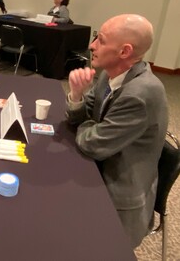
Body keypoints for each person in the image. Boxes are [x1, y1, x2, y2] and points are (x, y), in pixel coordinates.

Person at [65, 14, 168, 248]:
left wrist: (90, 125)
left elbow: (93, 145)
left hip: (118, 200)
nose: (92, 46)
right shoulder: (110, 75)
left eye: (100, 40)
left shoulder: (140, 94)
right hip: (100, 169)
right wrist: (77, 95)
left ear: (124, 52)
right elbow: (83, 119)